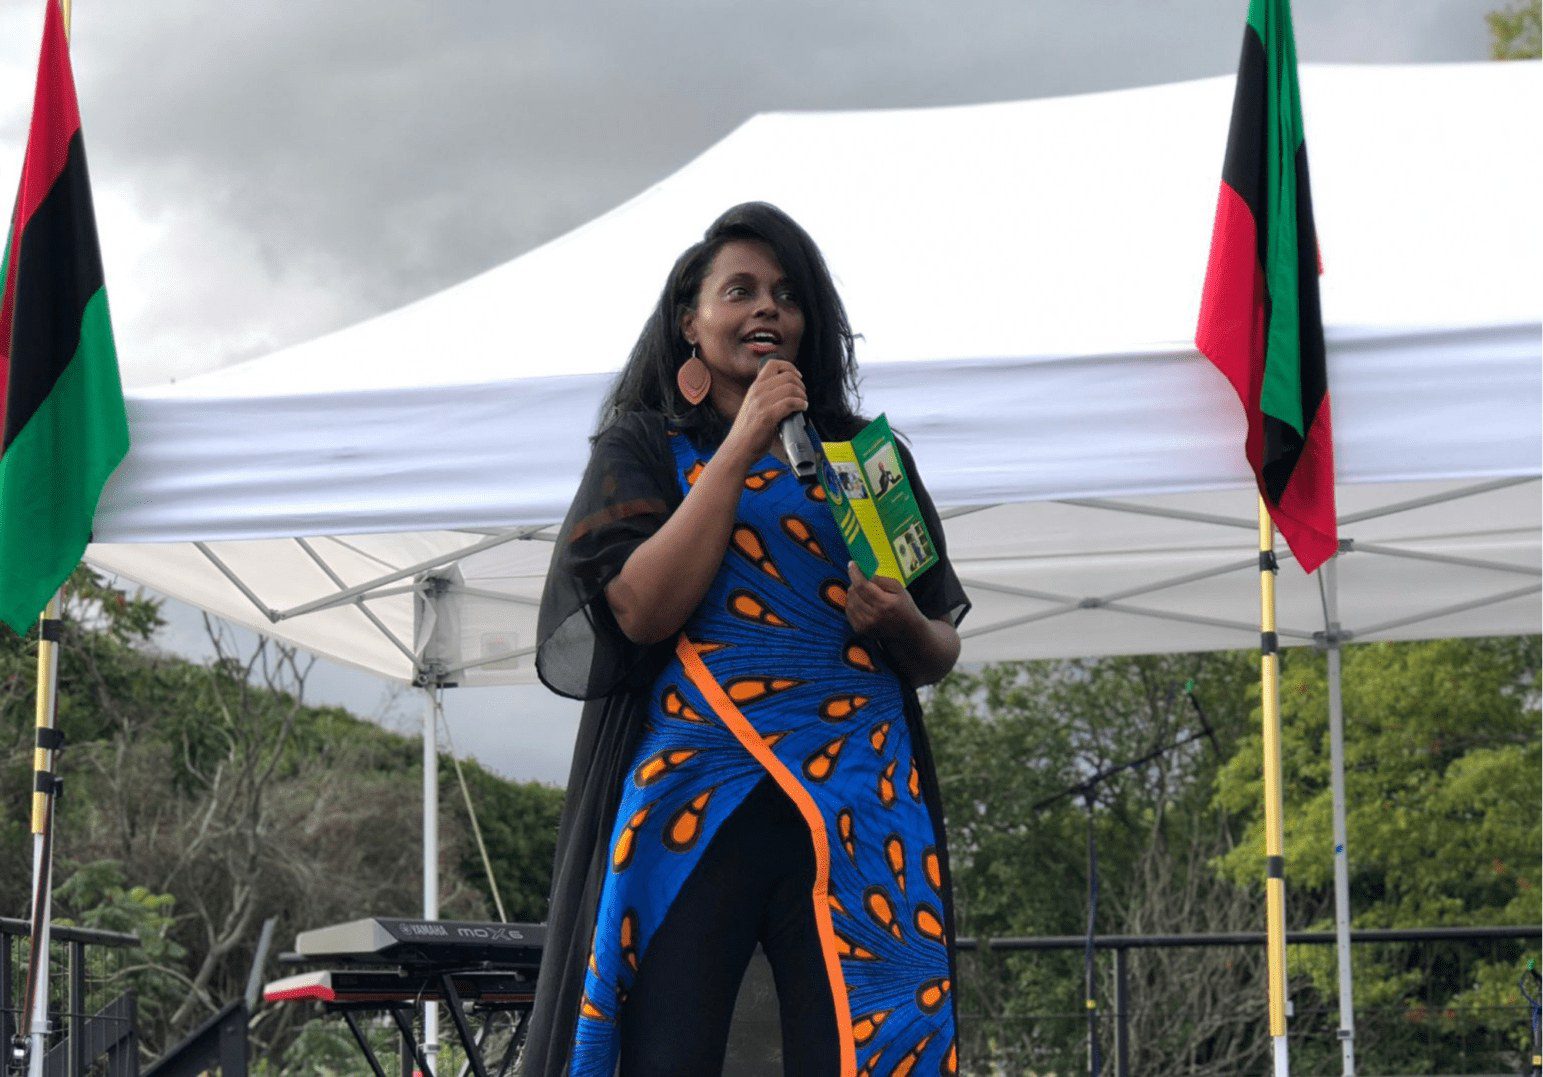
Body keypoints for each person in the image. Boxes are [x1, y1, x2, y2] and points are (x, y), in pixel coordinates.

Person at [526, 202, 970, 1077]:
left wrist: (900, 625)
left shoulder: (866, 460)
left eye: (786, 294)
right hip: (700, 791)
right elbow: (637, 611)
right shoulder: (645, 447)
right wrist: (741, 444)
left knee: (865, 1048)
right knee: (668, 1048)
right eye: (740, 291)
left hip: (858, 792)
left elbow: (938, 647)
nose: (767, 309)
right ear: (689, 321)